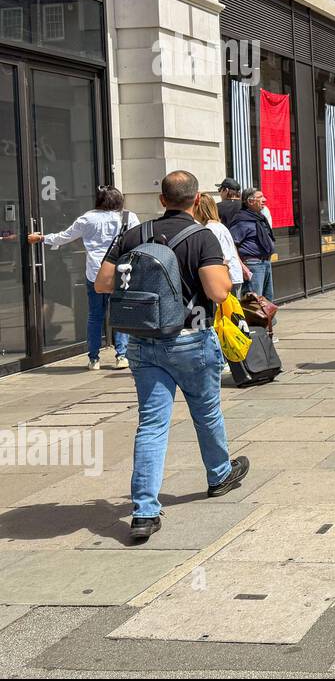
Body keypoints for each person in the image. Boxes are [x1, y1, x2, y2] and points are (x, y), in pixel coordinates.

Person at [97, 170, 250, 541]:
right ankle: (219, 475)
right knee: (206, 411)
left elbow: (103, 283)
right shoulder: (202, 237)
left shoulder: (134, 235)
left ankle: (145, 512)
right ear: (197, 200)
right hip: (191, 338)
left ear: (162, 200)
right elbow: (217, 292)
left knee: (151, 424)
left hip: (143, 341)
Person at [27, 185, 139, 370]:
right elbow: (137, 241)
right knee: (120, 314)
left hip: (95, 273)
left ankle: (94, 359)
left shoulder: (87, 218)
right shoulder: (129, 217)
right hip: (120, 272)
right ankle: (121, 356)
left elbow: (65, 237)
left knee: (95, 316)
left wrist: (41, 238)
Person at [228, 188, 276, 302]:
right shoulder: (241, 220)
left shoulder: (259, 218)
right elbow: (232, 245)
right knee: (254, 303)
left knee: (267, 301)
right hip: (253, 265)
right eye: (260, 197)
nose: (264, 200)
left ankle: (268, 320)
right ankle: (254, 321)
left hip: (265, 262)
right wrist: (242, 266)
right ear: (250, 201)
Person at [195, 191, 246, 297]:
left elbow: (223, 257)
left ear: (200, 210)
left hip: (228, 277)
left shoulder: (210, 229)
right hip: (233, 276)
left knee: (228, 312)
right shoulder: (219, 226)